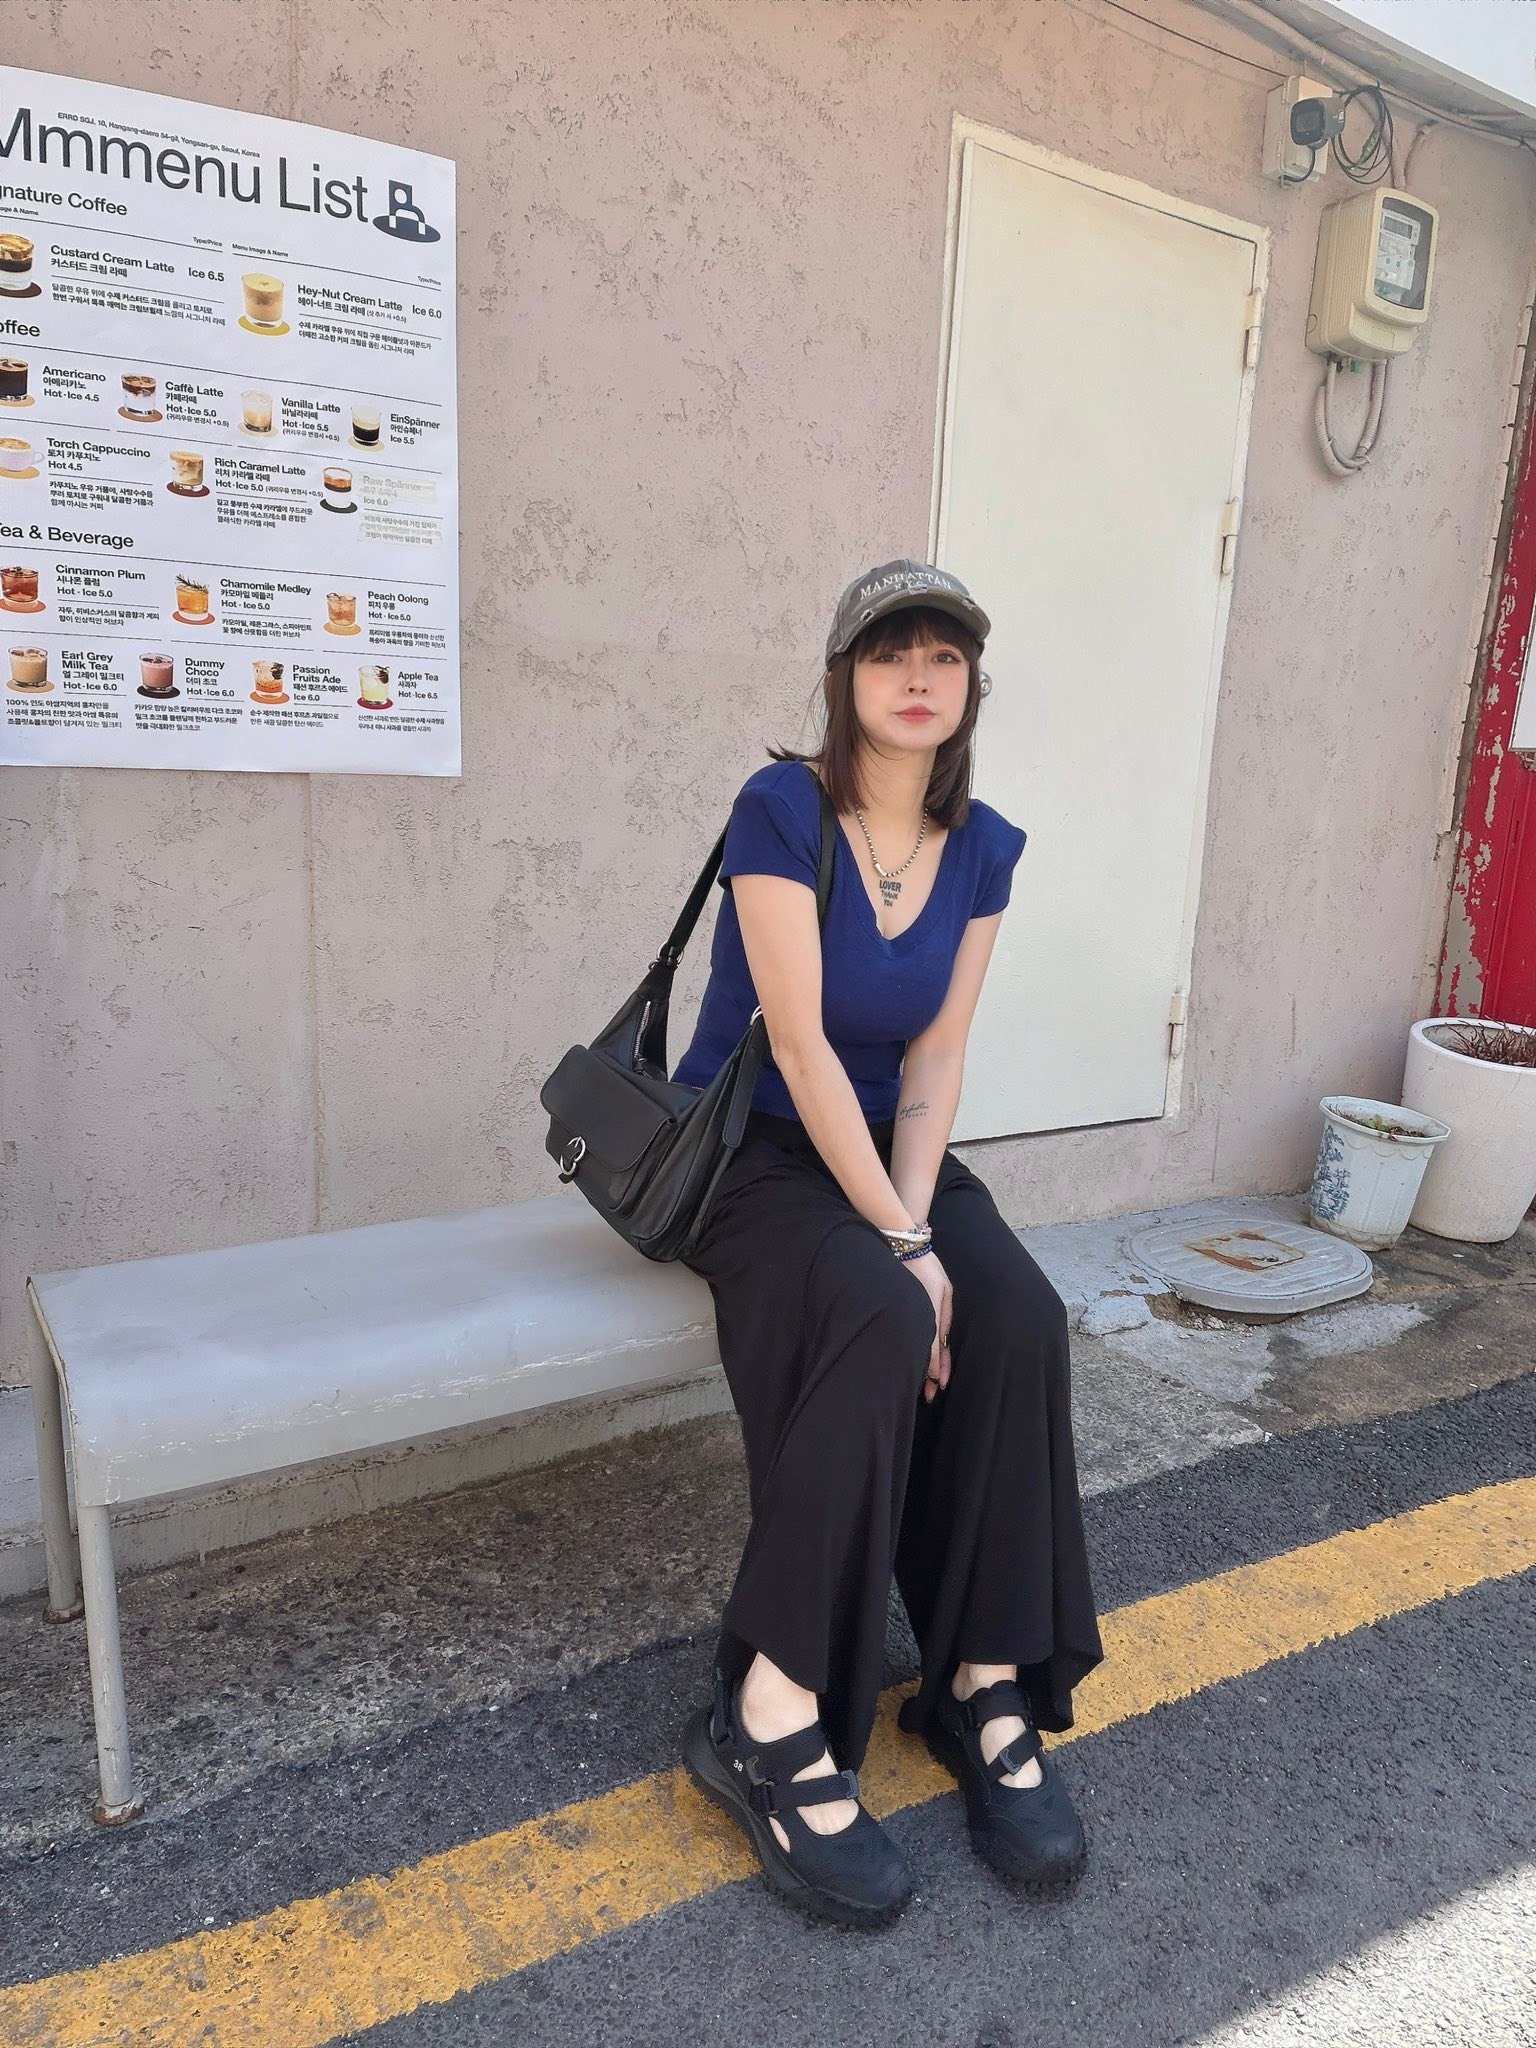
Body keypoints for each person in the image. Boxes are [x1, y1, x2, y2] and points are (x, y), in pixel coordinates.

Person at [672, 559, 1103, 1929]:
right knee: (879, 1309)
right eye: (887, 653)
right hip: (756, 1146)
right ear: (842, 678)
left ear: (972, 684)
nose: (917, 676)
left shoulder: (984, 848)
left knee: (1018, 1313)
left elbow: (935, 1054)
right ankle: (768, 1709)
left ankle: (981, 1677)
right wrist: (906, 1250)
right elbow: (799, 1046)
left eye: (944, 656)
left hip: (883, 1148)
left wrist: (919, 1223)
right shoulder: (781, 809)